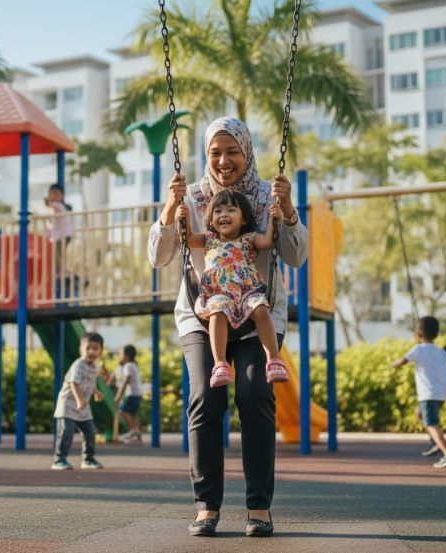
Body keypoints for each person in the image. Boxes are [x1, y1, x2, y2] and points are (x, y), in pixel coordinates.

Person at [149, 117, 308, 537]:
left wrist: (288, 211)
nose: (223, 160)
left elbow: (294, 257)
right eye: (215, 152)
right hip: (205, 313)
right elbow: (159, 256)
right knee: (206, 396)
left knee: (255, 397)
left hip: (257, 312)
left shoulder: (265, 196)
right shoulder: (193, 198)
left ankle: (259, 506)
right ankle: (206, 505)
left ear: (247, 152)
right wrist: (169, 208)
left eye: (232, 151)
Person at [177, 189, 289, 388]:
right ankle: (220, 364)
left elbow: (268, 242)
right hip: (219, 293)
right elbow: (187, 239)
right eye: (218, 211)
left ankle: (273, 360)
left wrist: (274, 220)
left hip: (247, 291)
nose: (224, 215)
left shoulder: (249, 239)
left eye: (231, 210)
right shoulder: (208, 239)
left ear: (244, 219)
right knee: (217, 312)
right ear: (211, 219)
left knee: (261, 309)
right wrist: (182, 220)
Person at [391, 316, 446, 468]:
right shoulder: (440, 351)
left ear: (418, 333)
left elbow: (402, 361)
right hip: (440, 394)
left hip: (428, 394)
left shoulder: (418, 350)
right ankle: (434, 441)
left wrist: (393, 364)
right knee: (419, 413)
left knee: (431, 424)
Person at [52, 332, 105, 470]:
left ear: (101, 351)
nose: (92, 351)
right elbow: (73, 383)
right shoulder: (78, 365)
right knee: (67, 431)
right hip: (68, 404)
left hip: (83, 406)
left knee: (90, 431)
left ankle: (88, 459)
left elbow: (89, 382)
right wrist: (79, 399)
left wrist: (96, 392)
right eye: (88, 348)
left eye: (95, 348)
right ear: (80, 349)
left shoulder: (95, 367)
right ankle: (59, 459)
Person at [113, 344, 143, 444]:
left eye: (120, 354)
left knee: (122, 411)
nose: (118, 355)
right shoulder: (133, 365)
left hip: (132, 394)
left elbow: (125, 382)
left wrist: (118, 396)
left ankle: (132, 431)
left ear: (126, 356)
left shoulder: (128, 366)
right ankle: (137, 434)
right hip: (138, 393)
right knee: (132, 414)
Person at [45, 184, 73, 276]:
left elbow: (51, 214)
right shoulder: (59, 206)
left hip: (62, 235)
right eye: (52, 193)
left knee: (57, 254)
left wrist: (48, 202)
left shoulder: (56, 205)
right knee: (58, 254)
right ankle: (61, 271)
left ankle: (60, 272)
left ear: (61, 196)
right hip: (63, 235)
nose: (54, 196)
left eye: (57, 194)